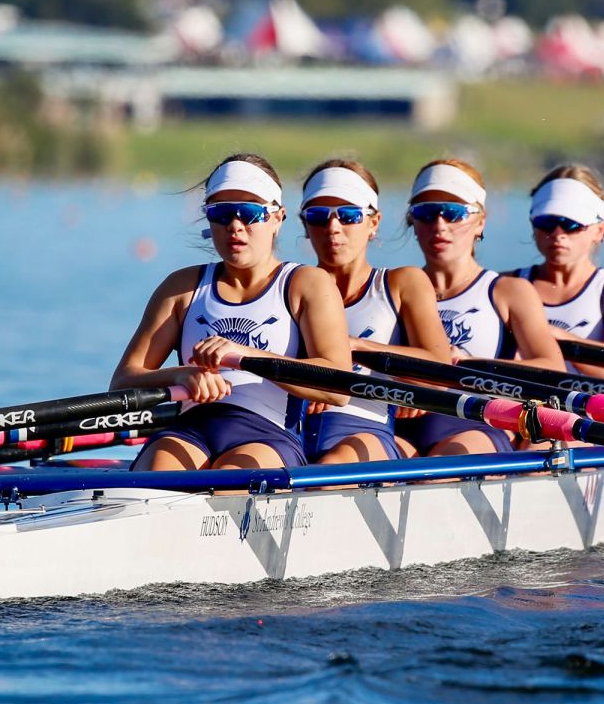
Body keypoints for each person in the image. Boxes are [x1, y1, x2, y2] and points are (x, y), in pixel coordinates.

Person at [111, 153, 352, 471]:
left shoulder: (306, 284)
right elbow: (123, 381)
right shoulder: (181, 287)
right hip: (189, 430)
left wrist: (242, 356)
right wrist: (181, 374)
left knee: (231, 479)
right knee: (157, 474)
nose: (235, 225)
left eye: (250, 212)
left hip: (268, 435)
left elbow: (339, 387)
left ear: (277, 218)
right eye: (221, 213)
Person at [395, 158, 564, 458]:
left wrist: (471, 364)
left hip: (477, 424)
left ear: (480, 222)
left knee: (434, 474)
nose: (439, 226)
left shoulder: (507, 291)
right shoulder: (395, 287)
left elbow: (552, 368)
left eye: (454, 213)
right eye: (426, 212)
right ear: (413, 221)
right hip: (402, 425)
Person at [298, 159, 451, 464]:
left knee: (326, 472)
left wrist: (351, 346)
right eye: (318, 216)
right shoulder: (290, 285)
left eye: (349, 216)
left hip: (364, 434)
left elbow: (440, 367)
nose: (333, 228)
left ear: (373, 222)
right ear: (304, 224)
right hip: (292, 433)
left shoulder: (401, 283)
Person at [508, 165, 604, 383]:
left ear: (599, 230)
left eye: (571, 224)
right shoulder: (504, 285)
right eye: (546, 223)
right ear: (533, 226)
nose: (557, 234)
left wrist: (555, 337)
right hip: (519, 412)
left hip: (588, 413)